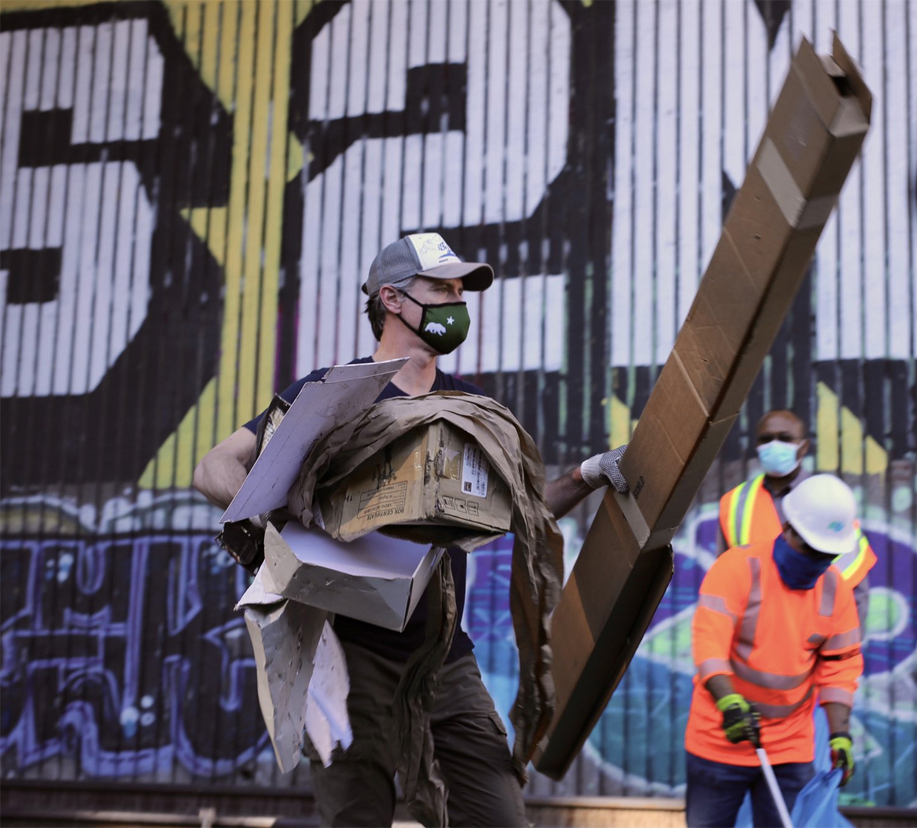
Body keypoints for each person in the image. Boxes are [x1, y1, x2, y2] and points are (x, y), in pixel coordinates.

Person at [193, 232, 627, 827]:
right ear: (392, 299)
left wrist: (591, 473)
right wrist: (293, 508)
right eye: (442, 289)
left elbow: (520, 511)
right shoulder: (334, 395)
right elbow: (214, 467)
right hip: (350, 657)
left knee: (499, 817)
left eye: (461, 291)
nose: (457, 303)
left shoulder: (469, 409)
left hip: (443, 657)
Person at [686, 474, 863, 828]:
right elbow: (710, 643)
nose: (816, 561)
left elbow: (840, 668)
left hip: (790, 747)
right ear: (787, 528)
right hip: (720, 738)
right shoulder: (738, 568)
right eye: (810, 549)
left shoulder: (835, 591)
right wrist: (728, 702)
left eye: (826, 554)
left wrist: (840, 734)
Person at [717, 409, 877, 628]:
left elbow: (855, 586)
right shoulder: (735, 503)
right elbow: (724, 582)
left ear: (803, 446)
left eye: (785, 438)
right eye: (766, 439)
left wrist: (842, 651)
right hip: (755, 639)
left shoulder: (832, 498)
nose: (774, 445)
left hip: (815, 638)